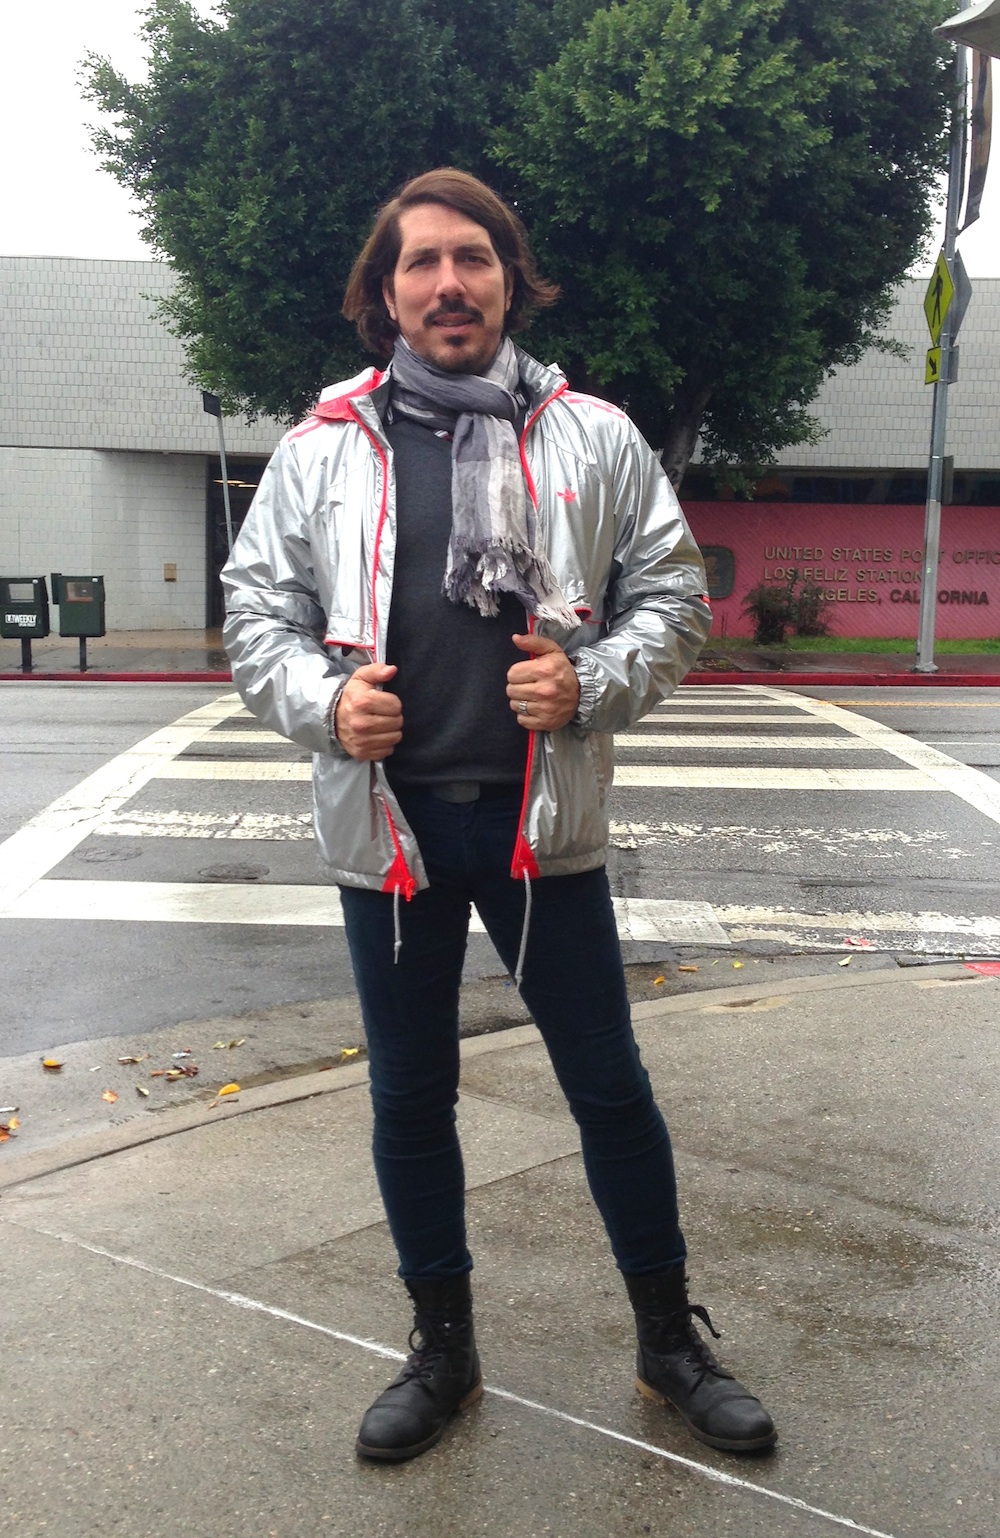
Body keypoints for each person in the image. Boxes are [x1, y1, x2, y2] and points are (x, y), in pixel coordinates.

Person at [223, 167, 776, 1464]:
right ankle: (444, 1351)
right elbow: (256, 614)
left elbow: (674, 599)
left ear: (510, 280)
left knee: (611, 1092)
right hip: (393, 838)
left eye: (472, 257)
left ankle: (668, 1341)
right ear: (385, 293)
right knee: (411, 1101)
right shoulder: (322, 449)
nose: (448, 282)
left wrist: (589, 682)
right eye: (420, 262)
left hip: (542, 832)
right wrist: (324, 701)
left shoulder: (596, 437)